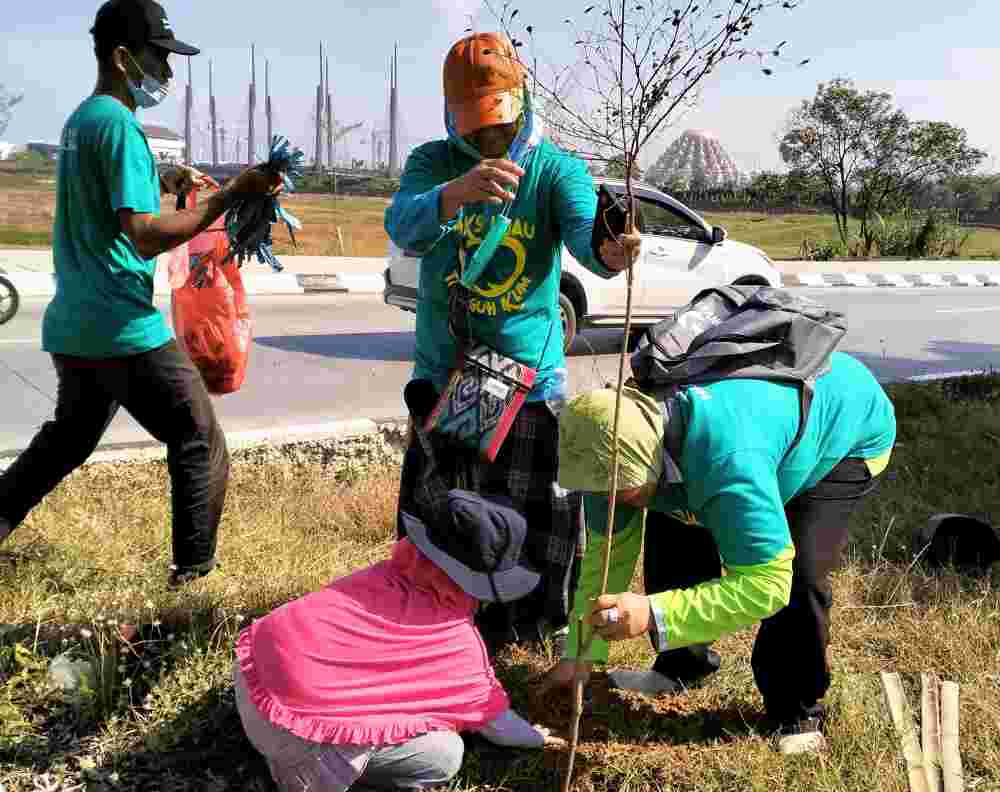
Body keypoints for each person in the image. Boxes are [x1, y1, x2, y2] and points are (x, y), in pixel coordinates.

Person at [0, 0, 280, 587]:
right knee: (198, 439)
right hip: (120, 326)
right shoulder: (123, 125)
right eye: (160, 58)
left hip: (75, 323)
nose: (168, 74)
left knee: (65, 443)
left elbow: (106, 194)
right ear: (124, 57)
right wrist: (229, 195)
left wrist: (162, 179)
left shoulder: (83, 121)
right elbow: (146, 235)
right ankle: (193, 580)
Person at [384, 31, 640, 651]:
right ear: (451, 116)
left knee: (532, 513)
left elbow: (588, 237)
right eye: (472, 127)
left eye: (497, 124)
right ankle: (442, 622)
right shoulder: (432, 164)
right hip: (452, 375)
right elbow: (402, 225)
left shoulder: (555, 169)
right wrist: (455, 194)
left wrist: (611, 250)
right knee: (451, 505)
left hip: (524, 379)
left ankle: (527, 629)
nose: (487, 139)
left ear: (522, 101)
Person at [541, 351, 896, 755]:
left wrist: (653, 614)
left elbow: (766, 586)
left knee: (800, 573)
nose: (611, 501)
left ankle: (796, 711)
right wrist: (582, 653)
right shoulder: (609, 445)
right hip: (741, 438)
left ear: (651, 459)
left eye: (620, 493)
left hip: (845, 431)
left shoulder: (730, 465)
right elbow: (607, 557)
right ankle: (682, 667)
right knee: (672, 524)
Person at [234, 490, 563, 792]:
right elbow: (498, 726)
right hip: (292, 736)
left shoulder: (378, 576)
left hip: (251, 679)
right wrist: (535, 738)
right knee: (446, 753)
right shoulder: (456, 645)